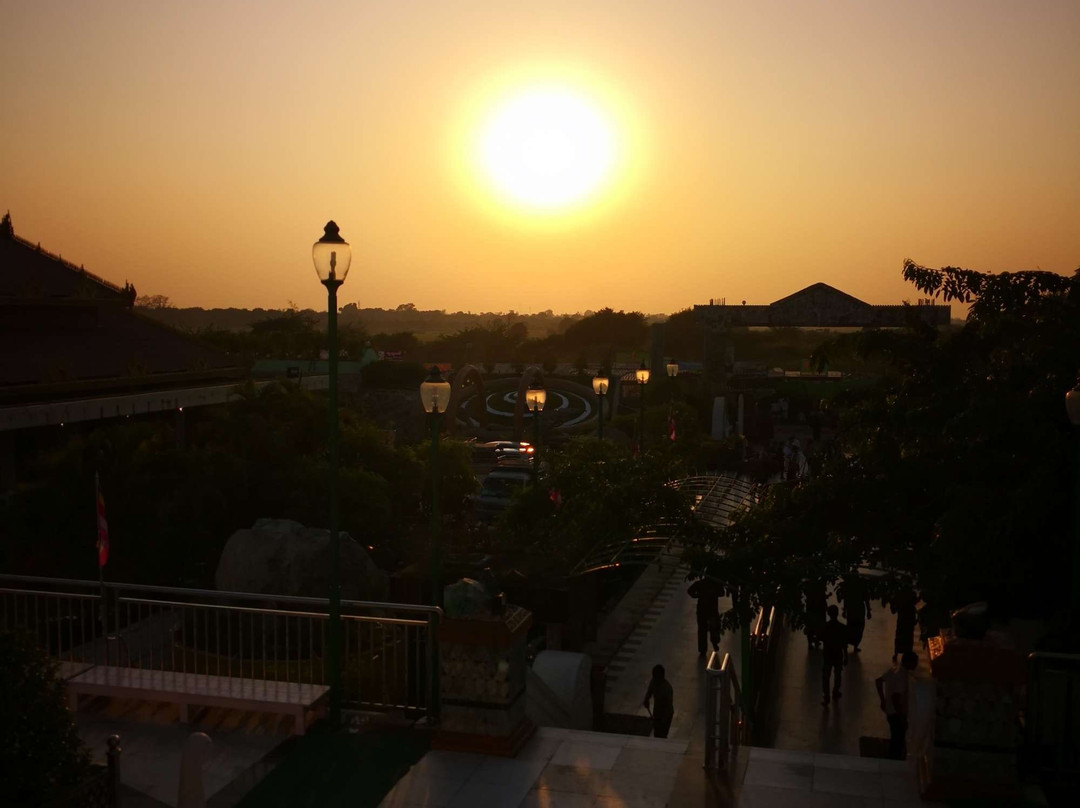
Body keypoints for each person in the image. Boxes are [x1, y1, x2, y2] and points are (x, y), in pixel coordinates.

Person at [876, 651, 919, 759]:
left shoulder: (894, 669)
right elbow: (895, 698)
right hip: (896, 714)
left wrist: (883, 701)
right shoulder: (902, 677)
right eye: (915, 662)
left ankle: (892, 758)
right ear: (909, 662)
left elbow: (878, 681)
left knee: (895, 738)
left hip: (890, 711)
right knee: (898, 740)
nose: (916, 665)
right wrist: (902, 717)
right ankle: (894, 760)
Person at [820, 605, 848, 707]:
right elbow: (844, 643)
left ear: (828, 614)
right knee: (837, 674)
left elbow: (821, 637)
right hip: (838, 654)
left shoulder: (825, 626)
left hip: (828, 654)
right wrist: (846, 656)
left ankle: (826, 696)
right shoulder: (842, 627)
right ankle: (835, 691)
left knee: (826, 676)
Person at [688, 577, 722, 655]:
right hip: (711, 610)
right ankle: (713, 643)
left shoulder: (701, 584)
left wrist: (697, 595)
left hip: (703, 610)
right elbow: (721, 593)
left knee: (703, 629)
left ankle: (703, 649)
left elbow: (690, 591)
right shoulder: (714, 584)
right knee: (713, 628)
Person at [837, 574, 871, 652]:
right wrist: (868, 611)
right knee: (858, 628)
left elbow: (846, 600)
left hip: (853, 609)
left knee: (851, 627)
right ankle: (855, 645)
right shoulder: (861, 587)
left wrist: (844, 610)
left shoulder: (849, 587)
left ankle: (848, 644)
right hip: (858, 610)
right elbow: (866, 600)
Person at [888, 587, 920, 663]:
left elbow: (893, 610)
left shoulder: (899, 595)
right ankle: (906, 656)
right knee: (908, 638)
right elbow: (915, 601)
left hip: (902, 621)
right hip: (909, 621)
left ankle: (896, 654)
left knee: (900, 637)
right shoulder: (911, 595)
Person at [643, 664, 674, 739]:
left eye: (656, 677)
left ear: (661, 677)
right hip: (657, 711)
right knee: (657, 734)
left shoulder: (667, 689)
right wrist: (646, 699)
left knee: (662, 735)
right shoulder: (653, 682)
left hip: (666, 714)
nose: (654, 679)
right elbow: (649, 691)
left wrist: (663, 721)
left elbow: (669, 707)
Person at [803, 579, 827, 649]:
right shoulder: (820, 586)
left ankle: (810, 643)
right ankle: (817, 640)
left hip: (811, 608)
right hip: (819, 608)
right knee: (819, 625)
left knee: (810, 626)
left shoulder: (808, 586)